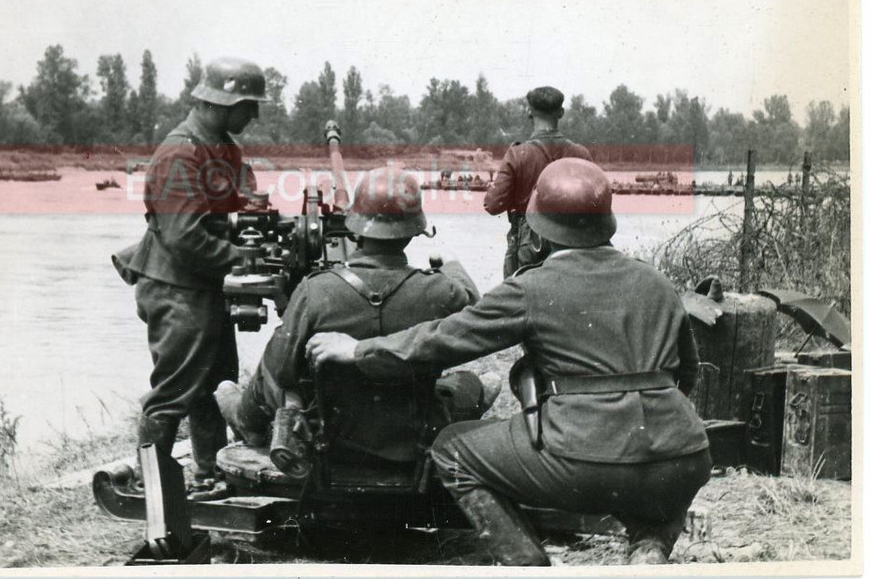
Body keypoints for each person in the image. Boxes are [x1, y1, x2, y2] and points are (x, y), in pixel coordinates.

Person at [308, 158, 711, 566]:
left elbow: (445, 338)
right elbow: (687, 375)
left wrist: (359, 350)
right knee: (661, 476)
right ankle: (650, 541)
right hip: (684, 456)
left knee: (451, 449)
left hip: (582, 459)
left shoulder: (530, 287)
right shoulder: (657, 282)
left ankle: (526, 563)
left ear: (538, 230)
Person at [215, 168, 494, 464]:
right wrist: (451, 265)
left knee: (273, 369)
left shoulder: (316, 289)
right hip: (414, 435)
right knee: (481, 383)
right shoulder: (440, 290)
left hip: (334, 439)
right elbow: (475, 313)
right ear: (415, 231)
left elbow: (282, 373)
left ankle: (246, 419)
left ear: (356, 227)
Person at [112, 56, 266, 493]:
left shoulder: (220, 147)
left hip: (204, 284)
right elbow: (184, 237)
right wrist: (243, 258)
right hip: (176, 288)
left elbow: (236, 202)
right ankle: (150, 484)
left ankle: (210, 473)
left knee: (214, 385)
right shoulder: (180, 153)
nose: (254, 115)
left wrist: (252, 213)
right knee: (175, 389)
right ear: (224, 103)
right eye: (249, 105)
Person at [484, 86, 592, 277]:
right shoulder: (581, 155)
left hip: (528, 244)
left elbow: (493, 205)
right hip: (571, 242)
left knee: (519, 291)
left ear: (529, 112)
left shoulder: (517, 154)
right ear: (561, 112)